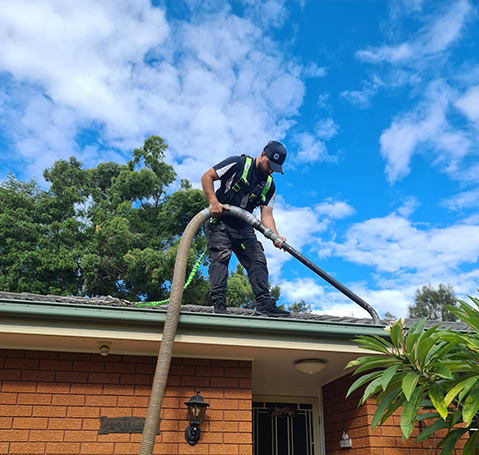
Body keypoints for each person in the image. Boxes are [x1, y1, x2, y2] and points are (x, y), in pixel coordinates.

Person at [201, 140, 290, 317]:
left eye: (275, 168)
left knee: (257, 260)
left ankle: (264, 304)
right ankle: (219, 305)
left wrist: (276, 237)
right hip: (220, 223)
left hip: (244, 227)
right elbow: (206, 177)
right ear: (262, 154)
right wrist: (214, 203)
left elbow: (267, 215)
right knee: (221, 257)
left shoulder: (269, 185)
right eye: (269, 165)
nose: (270, 170)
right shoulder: (238, 163)